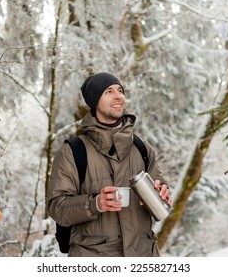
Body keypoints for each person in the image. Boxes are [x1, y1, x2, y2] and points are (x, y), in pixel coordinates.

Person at [48, 72, 171, 257]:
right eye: (109, 91)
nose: (118, 96)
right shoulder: (73, 152)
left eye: (120, 90)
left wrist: (162, 192)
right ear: (95, 100)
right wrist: (95, 203)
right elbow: (57, 207)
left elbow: (159, 187)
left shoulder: (142, 148)